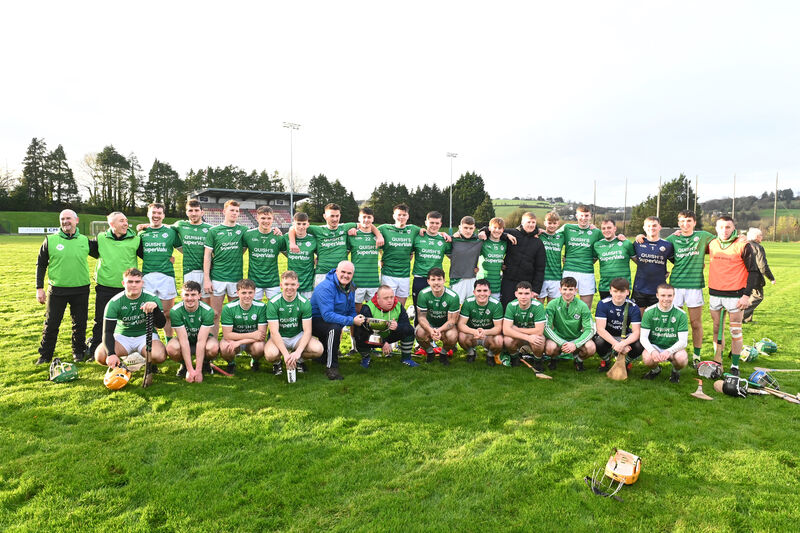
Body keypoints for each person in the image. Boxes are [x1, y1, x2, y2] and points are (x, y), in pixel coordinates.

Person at [35, 209, 96, 364]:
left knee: (80, 324)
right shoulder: (50, 240)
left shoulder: (84, 240)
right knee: (51, 324)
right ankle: (45, 356)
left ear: (76, 220)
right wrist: (39, 288)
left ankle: (78, 353)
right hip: (57, 290)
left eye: (68, 218)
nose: (65, 221)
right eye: (62, 219)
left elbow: (107, 251)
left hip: (81, 289)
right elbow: (41, 264)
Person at [707, 216, 759, 376]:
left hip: (736, 295)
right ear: (716, 228)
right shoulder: (712, 243)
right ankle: (718, 362)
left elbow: (753, 271)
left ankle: (735, 366)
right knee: (716, 329)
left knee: (735, 331)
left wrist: (746, 296)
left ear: (734, 228)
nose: (724, 230)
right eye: (721, 227)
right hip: (715, 293)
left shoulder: (743, 245)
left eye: (728, 227)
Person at [288, 202, 382, 287]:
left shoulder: (345, 227)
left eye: (337, 216)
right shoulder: (317, 230)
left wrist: (379, 235)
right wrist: (292, 243)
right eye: (332, 216)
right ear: (325, 216)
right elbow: (293, 228)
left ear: (340, 215)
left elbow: (366, 224)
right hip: (322, 273)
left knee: (340, 304)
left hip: (341, 274)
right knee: (321, 304)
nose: (335, 219)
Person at [87, 211, 141, 358]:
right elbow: (86, 251)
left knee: (130, 321)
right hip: (105, 286)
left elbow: (148, 256)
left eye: (126, 220)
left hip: (128, 288)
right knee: (101, 319)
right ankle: (96, 350)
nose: (125, 223)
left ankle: (134, 349)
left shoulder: (136, 239)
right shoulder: (100, 238)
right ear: (111, 224)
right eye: (121, 221)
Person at [94, 268, 166, 378]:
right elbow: (107, 331)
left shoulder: (152, 298)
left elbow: (161, 325)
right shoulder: (114, 302)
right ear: (123, 283)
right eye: (130, 282)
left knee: (159, 355)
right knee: (101, 355)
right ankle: (121, 364)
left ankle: (147, 361)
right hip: (123, 337)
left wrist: (155, 309)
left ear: (142, 283)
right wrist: (111, 354)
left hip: (145, 335)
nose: (134, 285)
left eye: (137, 282)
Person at [665, 210, 715, 365]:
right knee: (674, 322)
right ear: (678, 223)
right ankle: (673, 352)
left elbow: (722, 241)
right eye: (682, 221)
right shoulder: (672, 238)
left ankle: (697, 355)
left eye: (688, 221)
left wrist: (738, 236)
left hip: (694, 285)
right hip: (676, 285)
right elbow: (656, 247)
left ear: (694, 222)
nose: (685, 224)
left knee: (695, 323)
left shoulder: (703, 236)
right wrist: (640, 238)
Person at [310, 261, 366, 380]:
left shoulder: (350, 286)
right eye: (343, 272)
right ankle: (332, 368)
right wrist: (351, 321)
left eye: (349, 273)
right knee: (334, 328)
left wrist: (355, 318)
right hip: (315, 321)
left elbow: (351, 309)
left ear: (352, 274)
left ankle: (365, 355)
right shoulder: (325, 287)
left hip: (334, 320)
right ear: (336, 271)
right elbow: (327, 315)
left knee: (342, 325)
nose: (346, 275)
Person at [264, 271, 323, 377]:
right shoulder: (273, 303)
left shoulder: (304, 303)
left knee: (318, 349)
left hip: (297, 336)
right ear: (281, 285)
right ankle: (277, 363)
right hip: (280, 336)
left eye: (292, 284)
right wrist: (286, 355)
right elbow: (274, 332)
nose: (289, 287)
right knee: (270, 355)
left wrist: (298, 352)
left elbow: (308, 331)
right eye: (286, 284)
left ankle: (299, 360)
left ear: (297, 285)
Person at [203, 200, 249, 334]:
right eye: (231, 210)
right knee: (215, 314)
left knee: (235, 315)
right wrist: (207, 278)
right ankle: (213, 343)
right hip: (218, 277)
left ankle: (232, 345)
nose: (234, 213)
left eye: (236, 211)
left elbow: (245, 248)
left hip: (236, 279)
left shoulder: (243, 230)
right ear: (224, 212)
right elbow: (207, 256)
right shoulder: (214, 231)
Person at [139, 202, 181, 341]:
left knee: (168, 313)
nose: (156, 216)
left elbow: (183, 250)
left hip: (166, 276)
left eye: (159, 213)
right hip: (147, 277)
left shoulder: (170, 232)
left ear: (163, 215)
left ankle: (169, 342)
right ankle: (153, 342)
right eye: (153, 213)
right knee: (150, 312)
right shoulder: (142, 233)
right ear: (148, 214)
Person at [353, 285, 418, 368]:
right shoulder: (367, 308)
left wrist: (398, 326)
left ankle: (406, 358)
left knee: (409, 330)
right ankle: (366, 357)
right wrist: (382, 342)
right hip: (372, 337)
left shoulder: (398, 306)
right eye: (386, 298)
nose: (390, 301)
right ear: (378, 298)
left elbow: (407, 325)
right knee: (359, 334)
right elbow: (364, 331)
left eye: (391, 297)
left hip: (391, 334)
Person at [166, 281, 219, 382]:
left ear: (199, 295)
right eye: (186, 295)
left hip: (203, 340)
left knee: (213, 347)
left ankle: (205, 363)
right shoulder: (175, 311)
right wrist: (191, 370)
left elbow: (201, 341)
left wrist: (197, 371)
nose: (190, 298)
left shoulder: (208, 311)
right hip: (186, 340)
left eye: (193, 294)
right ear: (182, 295)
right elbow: (183, 340)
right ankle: (185, 366)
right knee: (171, 348)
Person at [544, 277, 596, 371]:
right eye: (565, 289)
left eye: (571, 289)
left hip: (576, 338)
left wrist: (575, 344)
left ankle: (578, 361)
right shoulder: (552, 304)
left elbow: (590, 329)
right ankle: (554, 359)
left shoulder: (582, 306)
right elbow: (546, 327)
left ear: (576, 290)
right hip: (558, 338)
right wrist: (562, 342)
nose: (567, 292)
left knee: (591, 348)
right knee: (550, 348)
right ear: (560, 290)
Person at [640, 283, 689, 383]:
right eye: (663, 295)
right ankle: (656, 370)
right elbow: (643, 337)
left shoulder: (681, 314)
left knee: (682, 358)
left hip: (673, 348)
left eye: (669, 295)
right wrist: (652, 351)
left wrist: (669, 351)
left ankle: (675, 371)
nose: (666, 299)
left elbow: (683, 342)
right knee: (647, 358)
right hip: (656, 346)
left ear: (674, 296)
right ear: (657, 295)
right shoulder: (649, 312)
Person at [593, 277, 643, 373]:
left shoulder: (633, 306)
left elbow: (637, 332)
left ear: (627, 292)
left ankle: (624, 362)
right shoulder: (603, 304)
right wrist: (616, 344)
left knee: (639, 344)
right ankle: (607, 360)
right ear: (610, 291)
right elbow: (600, 329)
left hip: (624, 336)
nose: (618, 294)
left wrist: (623, 343)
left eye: (622, 291)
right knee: (598, 342)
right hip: (608, 335)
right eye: (615, 291)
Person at [219, 279, 267, 374]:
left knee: (260, 347)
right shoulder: (228, 308)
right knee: (225, 347)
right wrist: (253, 335)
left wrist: (240, 341)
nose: (247, 296)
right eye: (244, 293)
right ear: (237, 293)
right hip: (235, 340)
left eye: (250, 292)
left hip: (251, 342)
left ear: (255, 292)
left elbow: (261, 335)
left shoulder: (262, 307)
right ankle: (231, 363)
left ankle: (255, 361)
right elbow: (227, 335)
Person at [496, 212, 544, 308]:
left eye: (533, 222)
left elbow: (540, 268)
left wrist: (536, 289)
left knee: (523, 310)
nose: (531, 225)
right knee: (505, 307)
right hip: (508, 280)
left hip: (526, 282)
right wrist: (506, 235)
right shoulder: (512, 233)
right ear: (522, 222)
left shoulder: (538, 243)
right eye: (528, 222)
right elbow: (492, 230)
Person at [414, 268, 461, 364]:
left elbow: (452, 321)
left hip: (445, 326)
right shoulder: (423, 294)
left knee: (452, 336)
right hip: (429, 325)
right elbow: (421, 317)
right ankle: (430, 352)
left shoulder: (453, 296)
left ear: (444, 280)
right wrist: (431, 331)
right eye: (433, 279)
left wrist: (439, 331)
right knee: (419, 333)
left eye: (439, 279)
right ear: (428, 281)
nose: (436, 283)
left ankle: (443, 354)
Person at [377, 203, 421, 306]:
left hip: (405, 275)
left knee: (400, 306)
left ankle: (397, 322)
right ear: (393, 216)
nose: (401, 217)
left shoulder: (413, 230)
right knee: (386, 305)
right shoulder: (384, 228)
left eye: (404, 215)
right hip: (388, 274)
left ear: (408, 216)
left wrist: (443, 233)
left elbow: (430, 232)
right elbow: (369, 230)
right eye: (399, 214)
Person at [561, 205, 602, 308]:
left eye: (586, 215)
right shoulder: (567, 228)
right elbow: (551, 234)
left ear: (590, 216)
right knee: (566, 305)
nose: (583, 218)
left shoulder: (596, 232)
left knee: (585, 307)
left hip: (587, 272)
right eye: (581, 215)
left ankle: (584, 325)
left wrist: (620, 237)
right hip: (569, 270)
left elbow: (609, 241)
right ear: (576, 216)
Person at [173, 200, 213, 303]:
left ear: (202, 212)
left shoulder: (210, 229)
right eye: (190, 210)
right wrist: (146, 225)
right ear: (186, 212)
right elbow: (164, 228)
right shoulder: (180, 225)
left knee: (205, 304)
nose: (194, 213)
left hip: (206, 272)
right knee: (190, 302)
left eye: (196, 210)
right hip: (189, 270)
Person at [458, 279, 505, 365]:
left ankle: (490, 355)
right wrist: (474, 331)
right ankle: (471, 353)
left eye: (485, 291)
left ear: (490, 292)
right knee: (461, 336)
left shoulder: (496, 304)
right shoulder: (468, 302)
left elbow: (498, 328)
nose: (482, 294)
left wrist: (485, 332)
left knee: (499, 340)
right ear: (474, 292)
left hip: (488, 335)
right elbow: (461, 324)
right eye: (479, 291)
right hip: (472, 335)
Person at [243, 206, 285, 301]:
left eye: (269, 218)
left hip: (273, 282)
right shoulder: (248, 235)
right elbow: (238, 254)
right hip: (254, 281)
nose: (266, 221)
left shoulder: (279, 237)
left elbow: (290, 256)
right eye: (263, 218)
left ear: (273, 219)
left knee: (275, 311)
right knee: (255, 311)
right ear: (257, 218)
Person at [411, 211, 452, 309]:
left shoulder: (444, 240)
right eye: (431, 222)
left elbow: (453, 258)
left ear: (441, 224)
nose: (434, 225)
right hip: (420, 278)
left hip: (437, 279)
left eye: (437, 223)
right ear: (426, 223)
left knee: (435, 310)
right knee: (418, 309)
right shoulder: (417, 237)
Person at [632, 216, 674, 310]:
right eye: (649, 226)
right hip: (640, 288)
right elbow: (633, 258)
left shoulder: (667, 245)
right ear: (644, 228)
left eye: (654, 225)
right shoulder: (638, 243)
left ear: (660, 227)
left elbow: (677, 261)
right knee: (639, 321)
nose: (651, 228)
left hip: (658, 289)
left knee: (655, 321)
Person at [502, 281, 546, 368]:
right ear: (516, 294)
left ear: (531, 294)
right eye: (520, 293)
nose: (523, 297)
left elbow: (539, 331)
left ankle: (537, 361)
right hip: (523, 337)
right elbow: (506, 330)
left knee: (539, 340)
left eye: (526, 293)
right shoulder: (511, 305)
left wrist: (516, 329)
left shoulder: (538, 306)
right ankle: (515, 358)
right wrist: (527, 337)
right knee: (507, 340)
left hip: (533, 335)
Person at [592, 219, 635, 300]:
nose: (606, 230)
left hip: (623, 287)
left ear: (615, 228)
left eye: (609, 228)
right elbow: (591, 261)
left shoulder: (626, 243)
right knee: (607, 311)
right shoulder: (597, 245)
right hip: (605, 287)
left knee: (624, 312)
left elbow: (638, 262)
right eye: (603, 228)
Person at [743, 227, 775, 324]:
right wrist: (771, 278)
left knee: (749, 296)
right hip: (754, 276)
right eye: (761, 235)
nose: (762, 237)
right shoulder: (758, 247)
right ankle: (742, 315)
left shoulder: (745, 244)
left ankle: (747, 319)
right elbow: (762, 265)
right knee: (758, 296)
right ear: (756, 237)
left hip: (743, 275)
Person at [448, 216, 483, 303]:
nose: (468, 231)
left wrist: (485, 230)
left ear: (474, 228)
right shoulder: (452, 240)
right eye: (465, 228)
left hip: (472, 279)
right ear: (460, 227)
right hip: (457, 279)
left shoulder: (479, 240)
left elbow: (494, 232)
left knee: (471, 308)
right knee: (456, 308)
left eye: (471, 228)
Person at [284, 212, 318, 300]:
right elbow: (281, 249)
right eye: (298, 224)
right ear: (293, 224)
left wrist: (317, 259)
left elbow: (321, 254)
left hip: (308, 282)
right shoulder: (286, 238)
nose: (301, 227)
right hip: (291, 282)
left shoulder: (313, 239)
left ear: (308, 224)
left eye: (304, 224)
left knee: (307, 309)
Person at [478, 217, 511, 301]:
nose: (497, 230)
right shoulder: (483, 242)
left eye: (499, 228)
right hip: (482, 283)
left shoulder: (505, 244)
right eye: (494, 227)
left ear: (503, 230)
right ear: (489, 228)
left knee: (494, 310)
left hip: (496, 285)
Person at [538, 211, 565, 303]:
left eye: (554, 223)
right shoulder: (540, 235)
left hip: (556, 277)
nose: (552, 225)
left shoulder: (561, 237)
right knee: (538, 307)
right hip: (541, 277)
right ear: (545, 223)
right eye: (549, 223)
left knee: (552, 308)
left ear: (558, 224)